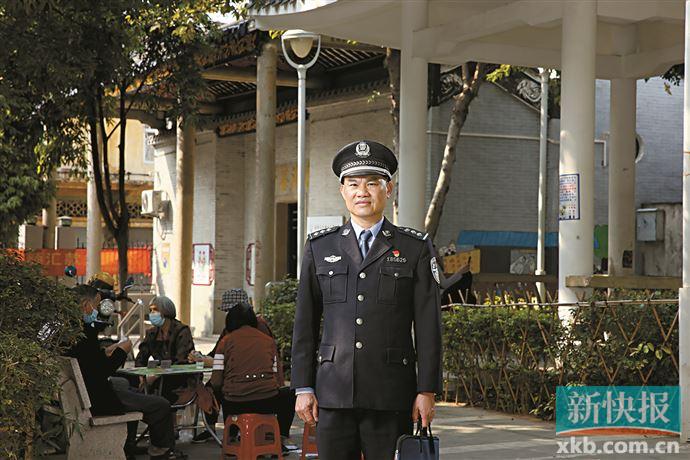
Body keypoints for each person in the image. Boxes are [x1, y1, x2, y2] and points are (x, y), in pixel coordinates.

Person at [291, 140, 443, 459]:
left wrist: (427, 390)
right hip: (333, 393)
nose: (362, 192)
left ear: (389, 190)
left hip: (390, 393)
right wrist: (303, 387)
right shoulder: (320, 247)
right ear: (342, 191)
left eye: (372, 183)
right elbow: (305, 322)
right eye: (353, 184)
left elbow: (429, 326)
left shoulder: (414, 248)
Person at [67, 283, 182, 460]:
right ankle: (161, 450)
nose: (98, 310)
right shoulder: (84, 333)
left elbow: (90, 361)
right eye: (96, 305)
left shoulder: (69, 332)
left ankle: (128, 444)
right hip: (98, 398)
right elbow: (101, 370)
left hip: (87, 393)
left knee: (127, 384)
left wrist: (106, 351)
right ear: (86, 305)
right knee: (161, 405)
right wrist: (122, 351)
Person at [209, 297, 296, 450]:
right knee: (290, 394)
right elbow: (277, 377)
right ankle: (279, 438)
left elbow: (216, 381)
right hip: (267, 402)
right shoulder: (268, 341)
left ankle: (230, 435)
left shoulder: (225, 342)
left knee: (211, 389)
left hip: (235, 404)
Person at [135, 296, 196, 403]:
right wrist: (141, 376)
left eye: (155, 310)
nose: (152, 313)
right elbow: (141, 357)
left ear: (166, 311)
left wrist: (157, 375)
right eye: (150, 310)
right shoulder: (152, 333)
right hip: (159, 376)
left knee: (159, 386)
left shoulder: (182, 331)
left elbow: (181, 361)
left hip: (180, 377)